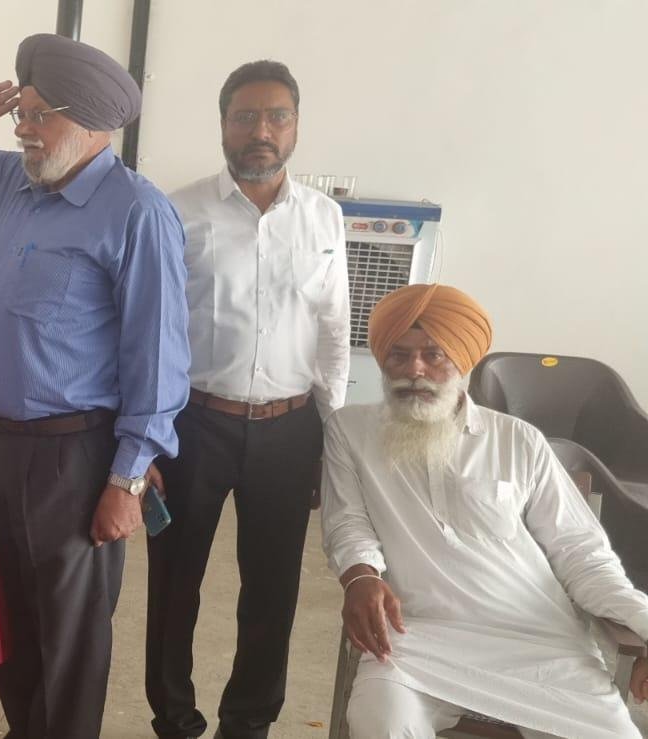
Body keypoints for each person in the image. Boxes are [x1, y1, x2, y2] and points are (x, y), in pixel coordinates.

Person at [0, 34, 189, 738]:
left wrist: (127, 480)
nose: (24, 128)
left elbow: (159, 358)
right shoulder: (17, 182)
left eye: (40, 115)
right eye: (24, 112)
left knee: (70, 635)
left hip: (76, 457)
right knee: (8, 613)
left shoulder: (137, 212)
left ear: (92, 123)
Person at [323, 283, 648, 738]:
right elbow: (347, 521)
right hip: (415, 640)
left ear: (464, 361)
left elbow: (582, 553)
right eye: (399, 355)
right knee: (379, 722)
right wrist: (360, 575)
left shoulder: (519, 440)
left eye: (434, 355)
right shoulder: (350, 430)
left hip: (540, 646)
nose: (414, 370)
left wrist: (643, 625)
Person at [146, 60, 350, 739]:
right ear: (223, 124)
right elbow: (151, 330)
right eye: (246, 116)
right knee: (174, 584)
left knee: (273, 589)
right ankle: (175, 719)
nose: (261, 130)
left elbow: (334, 331)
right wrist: (143, 442)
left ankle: (249, 722)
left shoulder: (324, 218)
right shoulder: (177, 211)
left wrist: (331, 438)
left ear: (296, 126)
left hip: (290, 431)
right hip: (193, 424)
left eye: (277, 116)